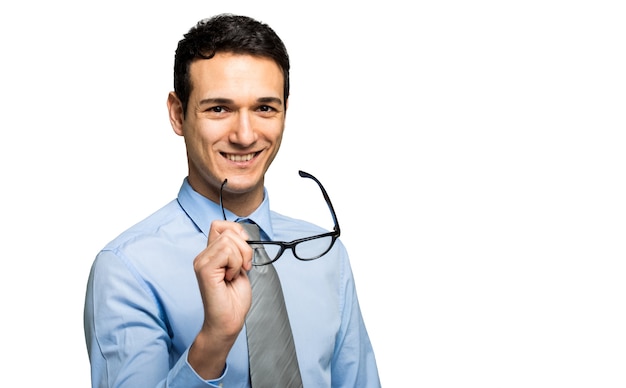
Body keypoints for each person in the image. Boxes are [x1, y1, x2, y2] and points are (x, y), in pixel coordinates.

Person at [83, 13, 380, 387]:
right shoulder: (127, 270)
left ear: (285, 112)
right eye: (219, 109)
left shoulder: (326, 256)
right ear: (178, 114)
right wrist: (213, 340)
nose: (244, 134)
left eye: (264, 108)